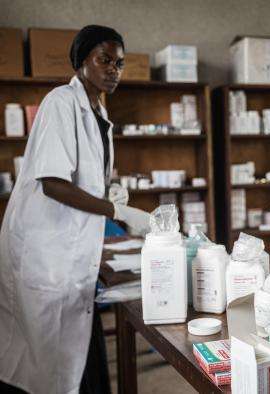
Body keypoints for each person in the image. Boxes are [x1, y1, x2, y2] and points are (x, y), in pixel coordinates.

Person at [0, 25, 151, 393]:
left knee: (74, 354)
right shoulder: (60, 102)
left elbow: (83, 175)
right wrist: (117, 213)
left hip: (71, 254)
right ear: (81, 60)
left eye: (119, 63)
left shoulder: (99, 111)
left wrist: (110, 190)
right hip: (44, 253)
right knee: (39, 364)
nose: (113, 69)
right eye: (104, 60)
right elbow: (52, 182)